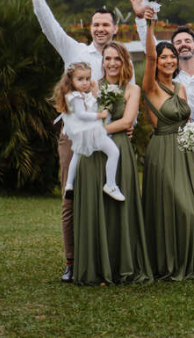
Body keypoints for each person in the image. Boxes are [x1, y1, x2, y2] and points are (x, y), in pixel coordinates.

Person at [25, 0, 125, 283]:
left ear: (114, 29)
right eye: (96, 24)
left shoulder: (119, 62)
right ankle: (71, 260)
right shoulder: (75, 52)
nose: (100, 29)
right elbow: (50, 27)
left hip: (106, 134)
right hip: (74, 138)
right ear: (90, 27)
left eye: (106, 25)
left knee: (105, 195)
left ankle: (103, 258)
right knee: (71, 197)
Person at [73, 43, 152, 285]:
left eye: (117, 58)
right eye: (108, 58)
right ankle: (95, 267)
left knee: (119, 206)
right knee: (95, 204)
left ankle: (121, 266)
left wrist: (97, 130)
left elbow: (128, 121)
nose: (112, 63)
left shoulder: (133, 89)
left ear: (125, 61)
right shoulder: (92, 85)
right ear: (102, 61)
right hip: (92, 154)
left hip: (119, 149)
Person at [140, 11, 194, 281]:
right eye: (163, 57)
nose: (168, 60)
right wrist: (149, 25)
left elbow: (190, 125)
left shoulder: (180, 89)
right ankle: (168, 263)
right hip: (163, 151)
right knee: (178, 207)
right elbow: (147, 56)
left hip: (185, 152)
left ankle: (190, 264)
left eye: (171, 56)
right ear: (156, 62)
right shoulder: (150, 87)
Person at [52, 62, 125, 203]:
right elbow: (81, 115)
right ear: (70, 80)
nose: (85, 83)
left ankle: (69, 184)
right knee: (113, 152)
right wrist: (100, 116)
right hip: (91, 131)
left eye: (87, 78)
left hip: (81, 133)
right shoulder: (77, 97)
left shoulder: (76, 95)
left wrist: (94, 90)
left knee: (77, 155)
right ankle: (110, 185)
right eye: (80, 79)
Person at [132, 0, 194, 122]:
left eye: (187, 41)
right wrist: (140, 19)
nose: (183, 44)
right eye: (178, 43)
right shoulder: (168, 75)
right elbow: (150, 50)